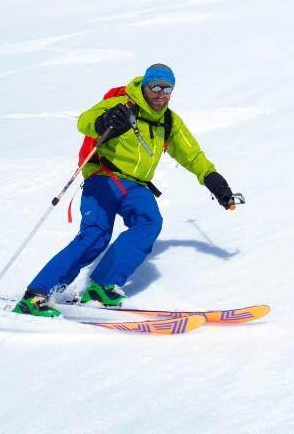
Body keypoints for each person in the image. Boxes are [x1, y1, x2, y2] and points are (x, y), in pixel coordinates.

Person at [13, 63, 239, 316]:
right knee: (95, 237)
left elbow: (192, 155)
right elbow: (85, 121)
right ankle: (36, 295)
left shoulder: (169, 120)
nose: (161, 94)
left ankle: (101, 286)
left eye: (168, 89)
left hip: (137, 186)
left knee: (149, 223)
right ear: (144, 86)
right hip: (104, 177)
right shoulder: (121, 105)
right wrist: (104, 122)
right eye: (155, 87)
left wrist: (215, 182)